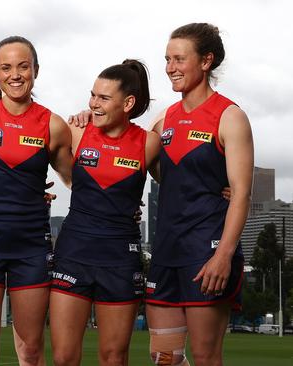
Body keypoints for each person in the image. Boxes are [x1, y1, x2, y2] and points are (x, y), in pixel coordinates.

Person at [0, 36, 73, 366]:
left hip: (31, 247)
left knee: (31, 350)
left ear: (36, 70)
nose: (15, 74)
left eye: (23, 66)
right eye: (6, 68)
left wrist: (123, 205)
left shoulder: (53, 125)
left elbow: (78, 181)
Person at [144, 23, 253, 366]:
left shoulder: (230, 117)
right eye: (167, 59)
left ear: (206, 61)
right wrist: (90, 113)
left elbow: (241, 195)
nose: (170, 68)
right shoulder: (164, 119)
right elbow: (130, 146)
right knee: (165, 357)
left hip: (205, 251)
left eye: (179, 59)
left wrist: (223, 255)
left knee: (206, 357)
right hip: (165, 250)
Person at [50, 59, 160, 366]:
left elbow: (183, 182)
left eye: (103, 98)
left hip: (119, 258)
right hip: (74, 250)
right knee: (63, 357)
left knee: (113, 357)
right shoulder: (75, 129)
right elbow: (28, 153)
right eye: (92, 96)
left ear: (127, 103)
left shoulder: (148, 143)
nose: (93, 104)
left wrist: (224, 188)